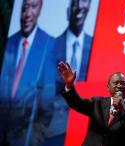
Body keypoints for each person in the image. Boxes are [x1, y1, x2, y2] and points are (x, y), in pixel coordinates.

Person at [0, 0, 54, 146]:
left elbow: (47, 105)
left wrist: (33, 139)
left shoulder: (49, 44)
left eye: (33, 7)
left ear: (40, 9)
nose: (27, 13)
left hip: (25, 138)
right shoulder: (10, 42)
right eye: (24, 8)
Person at [57, 61, 125, 146]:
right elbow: (77, 103)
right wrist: (69, 85)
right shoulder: (97, 103)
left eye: (123, 83)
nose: (119, 85)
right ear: (108, 87)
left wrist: (124, 110)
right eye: (116, 83)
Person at [43, 0, 95, 145]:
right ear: (68, 9)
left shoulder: (95, 46)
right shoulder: (50, 46)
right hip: (52, 133)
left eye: (84, 1)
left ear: (90, 5)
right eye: (75, 2)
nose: (79, 7)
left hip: (86, 131)